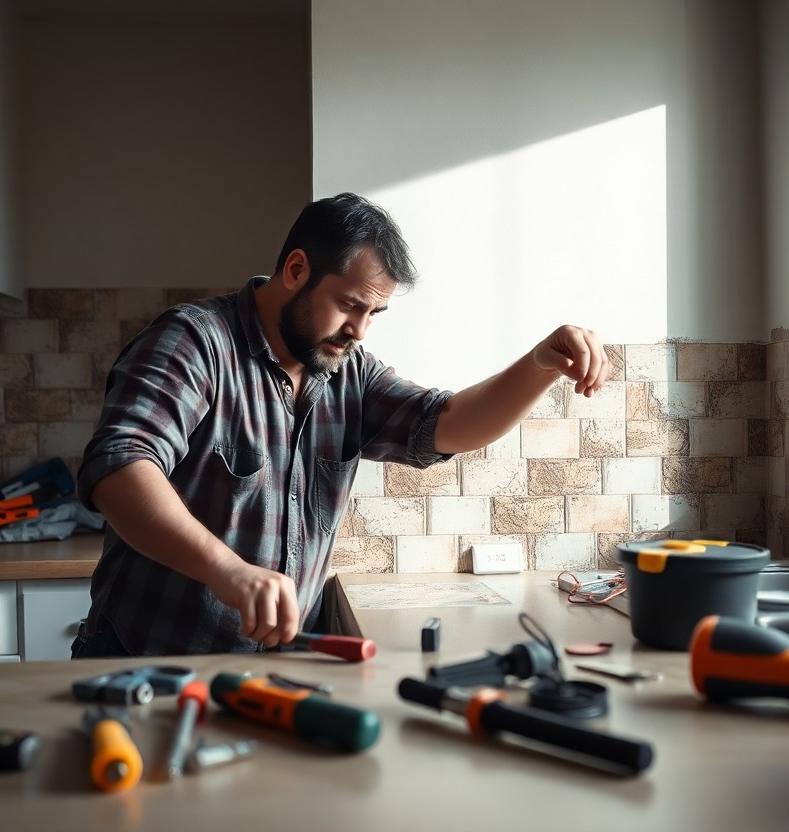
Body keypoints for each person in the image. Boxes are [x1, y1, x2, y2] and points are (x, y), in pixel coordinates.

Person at [71, 192, 611, 658]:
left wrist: (540, 363)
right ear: (297, 269)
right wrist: (226, 570)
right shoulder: (194, 343)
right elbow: (120, 468)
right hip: (143, 661)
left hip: (266, 671)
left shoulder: (346, 371)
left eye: (374, 313)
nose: (359, 330)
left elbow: (450, 423)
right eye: (349, 305)